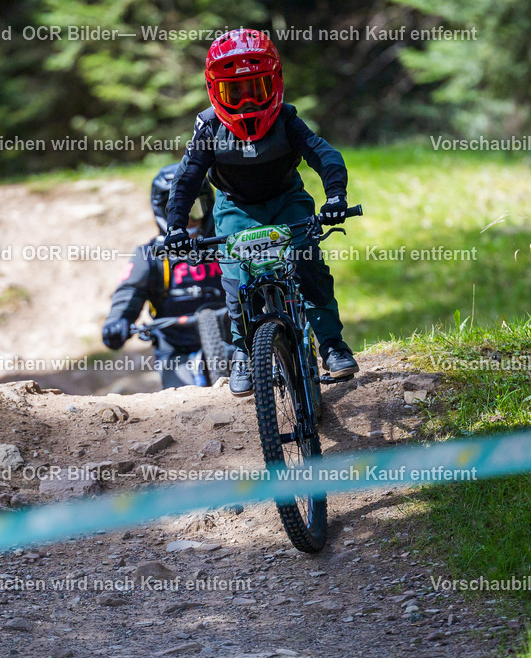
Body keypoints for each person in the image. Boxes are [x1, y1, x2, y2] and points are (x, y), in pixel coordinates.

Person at [164, 28, 359, 397]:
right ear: (215, 91)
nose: (247, 102)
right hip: (235, 207)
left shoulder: (286, 119)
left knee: (307, 265)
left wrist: (336, 197)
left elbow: (325, 155)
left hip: (287, 201)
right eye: (235, 92)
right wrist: (176, 226)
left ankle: (333, 346)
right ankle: (244, 353)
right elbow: (187, 178)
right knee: (236, 280)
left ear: (276, 83)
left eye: (257, 88)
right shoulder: (209, 127)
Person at [101, 164, 228, 388]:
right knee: (183, 398)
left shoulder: (226, 244)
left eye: (194, 208)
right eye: (175, 212)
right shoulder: (149, 254)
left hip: (234, 341)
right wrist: (117, 320)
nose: (186, 220)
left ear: (208, 206)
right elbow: (130, 290)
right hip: (175, 349)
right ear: (162, 213)